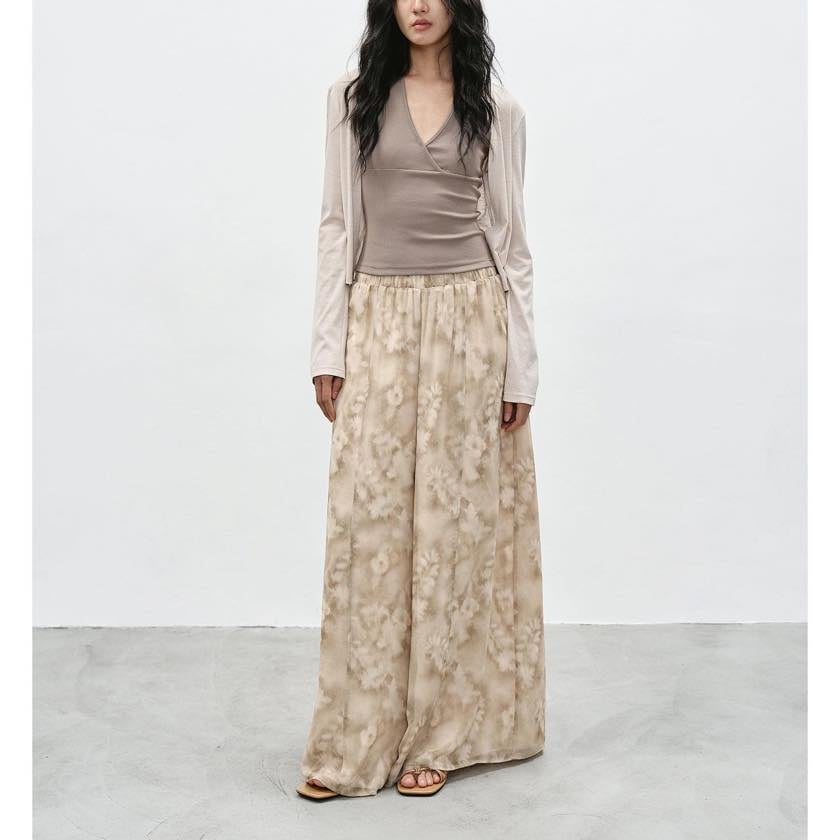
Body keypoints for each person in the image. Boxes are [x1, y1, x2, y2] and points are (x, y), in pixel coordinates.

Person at [299, 0, 544, 799]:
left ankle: (440, 734)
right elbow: (336, 226)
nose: (419, 4)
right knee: (368, 529)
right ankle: (355, 736)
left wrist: (521, 368)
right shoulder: (352, 98)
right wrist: (327, 348)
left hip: (471, 325)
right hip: (379, 317)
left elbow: (513, 246)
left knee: (454, 532)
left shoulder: (496, 108)